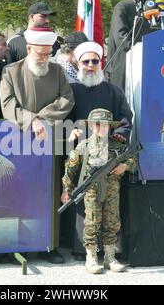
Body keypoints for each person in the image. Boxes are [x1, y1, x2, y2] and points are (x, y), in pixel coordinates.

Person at [1, 27, 75, 264]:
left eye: (48, 53)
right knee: (21, 191)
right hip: (19, 141)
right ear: (29, 49)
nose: (45, 57)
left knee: (50, 191)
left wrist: (42, 118)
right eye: (40, 53)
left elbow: (67, 99)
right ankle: (19, 245)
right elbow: (7, 104)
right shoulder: (11, 71)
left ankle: (49, 244)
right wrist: (31, 120)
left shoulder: (57, 70)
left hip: (50, 141)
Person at [66, 42, 134, 260]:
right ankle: (84, 250)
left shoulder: (114, 91)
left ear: (101, 63)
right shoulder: (71, 90)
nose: (90, 65)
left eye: (95, 61)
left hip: (108, 158)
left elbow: (125, 119)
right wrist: (73, 130)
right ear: (78, 63)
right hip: (82, 156)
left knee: (110, 206)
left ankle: (110, 252)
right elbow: (63, 118)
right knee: (83, 201)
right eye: (85, 62)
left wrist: (115, 139)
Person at [62, 109, 132, 274]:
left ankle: (110, 257)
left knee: (112, 222)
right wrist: (67, 190)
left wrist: (125, 166)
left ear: (110, 126)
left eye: (105, 124)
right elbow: (70, 169)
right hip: (92, 191)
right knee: (92, 223)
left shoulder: (117, 145)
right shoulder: (84, 146)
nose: (101, 127)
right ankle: (91, 257)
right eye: (98, 124)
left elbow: (132, 159)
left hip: (112, 191)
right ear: (92, 126)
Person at [106, 0, 154, 91]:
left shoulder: (154, 8)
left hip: (147, 67)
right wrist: (144, 51)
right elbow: (122, 38)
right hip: (124, 67)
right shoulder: (123, 6)